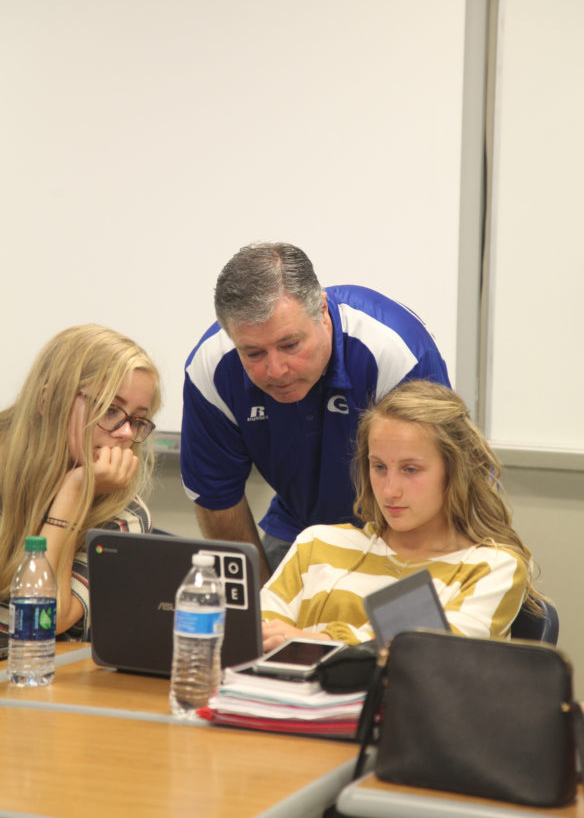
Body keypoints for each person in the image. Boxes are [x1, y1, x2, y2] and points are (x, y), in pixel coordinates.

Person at [181, 242, 450, 584]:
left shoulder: (392, 352)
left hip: (409, 526)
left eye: (290, 345)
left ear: (322, 311)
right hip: (303, 526)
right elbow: (217, 499)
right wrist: (262, 615)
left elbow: (438, 485)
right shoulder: (211, 370)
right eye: (253, 354)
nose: (276, 370)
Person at [261, 380, 540, 652]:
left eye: (410, 469)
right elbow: (259, 634)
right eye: (379, 467)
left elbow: (421, 655)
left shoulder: (491, 566)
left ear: (455, 473)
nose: (389, 491)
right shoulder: (317, 544)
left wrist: (311, 641)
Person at [0, 324, 161, 640]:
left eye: (137, 419)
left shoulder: (127, 515)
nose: (127, 433)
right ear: (48, 401)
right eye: (111, 409)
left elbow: (40, 624)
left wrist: (74, 494)